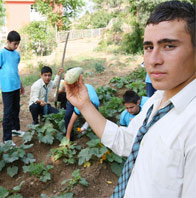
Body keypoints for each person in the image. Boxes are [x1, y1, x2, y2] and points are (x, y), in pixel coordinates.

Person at [65, 1, 195, 197]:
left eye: (169, 46)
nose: (153, 60)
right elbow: (126, 141)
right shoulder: (157, 98)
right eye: (149, 47)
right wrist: (84, 104)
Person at [0, 30, 25, 144]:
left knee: (16, 109)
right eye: (14, 44)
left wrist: (21, 85)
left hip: (16, 87)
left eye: (18, 44)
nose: (16, 46)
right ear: (8, 41)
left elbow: (15, 71)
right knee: (7, 114)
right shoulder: (1, 54)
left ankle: (15, 130)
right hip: (7, 89)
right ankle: (7, 139)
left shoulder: (17, 54)